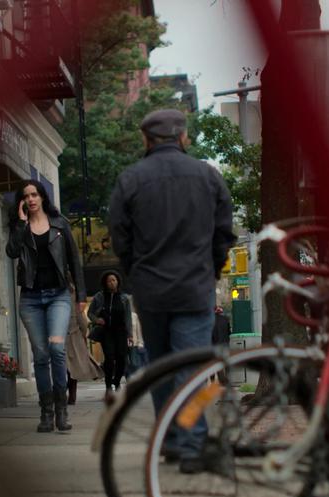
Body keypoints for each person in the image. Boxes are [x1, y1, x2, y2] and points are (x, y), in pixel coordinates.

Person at [109, 108, 236, 473]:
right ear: (183, 138)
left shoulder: (130, 180)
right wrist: (211, 270)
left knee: (161, 366)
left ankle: (172, 439)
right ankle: (192, 444)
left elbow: (120, 236)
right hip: (194, 288)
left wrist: (136, 271)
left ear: (146, 140)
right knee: (192, 368)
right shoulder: (208, 177)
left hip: (152, 291)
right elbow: (223, 233)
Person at [6, 181, 85, 433]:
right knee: (40, 355)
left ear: (42, 197)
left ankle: (62, 409)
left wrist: (81, 295)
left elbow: (74, 260)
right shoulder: (21, 227)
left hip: (58, 296)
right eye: (26, 196)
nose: (31, 199)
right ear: (22, 201)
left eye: (34, 194)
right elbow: (11, 252)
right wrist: (20, 223)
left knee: (56, 348)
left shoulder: (60, 224)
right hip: (30, 299)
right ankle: (46, 411)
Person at [87, 270, 133, 393]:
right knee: (109, 357)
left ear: (118, 281)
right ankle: (108, 386)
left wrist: (130, 335)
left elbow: (128, 317)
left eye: (114, 280)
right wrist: (97, 320)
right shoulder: (99, 296)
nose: (111, 283)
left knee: (122, 359)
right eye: (109, 281)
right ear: (105, 283)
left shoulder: (124, 298)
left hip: (121, 332)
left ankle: (117, 381)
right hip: (106, 332)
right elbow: (90, 313)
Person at [65, 283, 103, 404]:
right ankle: (72, 395)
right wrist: (83, 332)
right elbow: (81, 318)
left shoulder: (61, 292)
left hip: (64, 335)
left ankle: (64, 393)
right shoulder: (74, 293)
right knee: (72, 367)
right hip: (73, 334)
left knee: (65, 366)